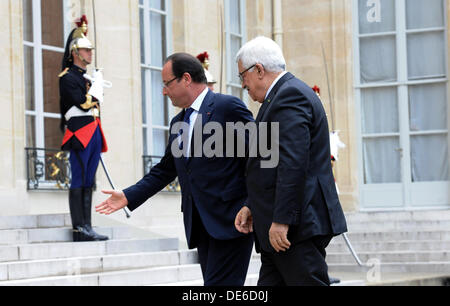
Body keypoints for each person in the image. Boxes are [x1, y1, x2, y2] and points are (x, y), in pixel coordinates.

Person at [96, 53, 255, 286]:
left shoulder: (227, 107)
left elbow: (260, 155)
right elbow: (165, 170)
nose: (163, 91)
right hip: (201, 226)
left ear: (186, 79)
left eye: (167, 84)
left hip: (231, 222)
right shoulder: (178, 123)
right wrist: (129, 195)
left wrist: (250, 204)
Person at [234, 36, 347, 286]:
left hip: (294, 229)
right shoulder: (280, 97)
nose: (244, 85)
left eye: (243, 77)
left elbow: (292, 163)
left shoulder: (289, 96)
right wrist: (252, 204)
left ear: (259, 70)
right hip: (282, 229)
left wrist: (282, 220)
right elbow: (269, 164)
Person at [59, 15, 109, 242]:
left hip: (94, 130)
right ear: (75, 53)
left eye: (90, 50)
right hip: (80, 133)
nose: (90, 53)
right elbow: (82, 102)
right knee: (79, 179)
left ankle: (88, 226)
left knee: (90, 180)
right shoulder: (67, 77)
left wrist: (95, 83)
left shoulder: (87, 77)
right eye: (86, 50)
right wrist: (96, 88)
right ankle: (79, 228)